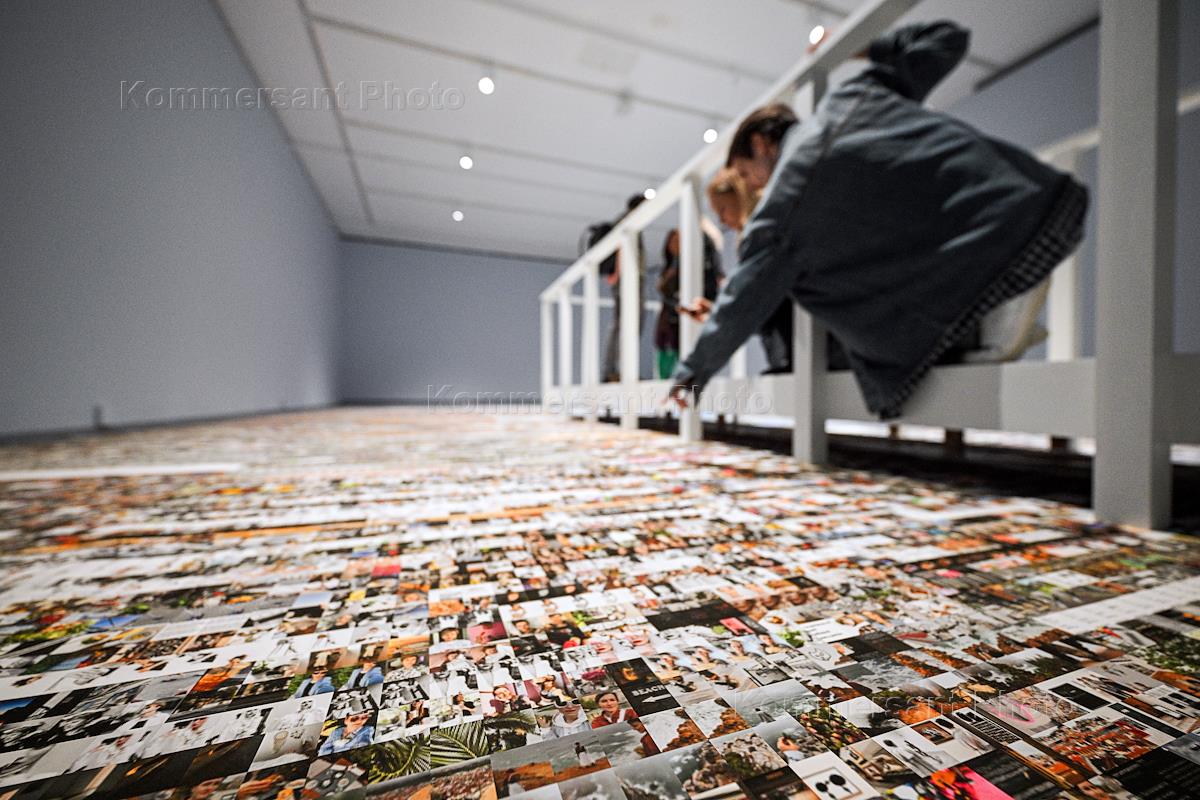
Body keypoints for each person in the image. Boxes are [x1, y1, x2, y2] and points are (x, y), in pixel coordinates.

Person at [669, 21, 1088, 419]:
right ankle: (982, 319)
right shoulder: (854, 96)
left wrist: (691, 376)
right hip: (1046, 209)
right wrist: (863, 46)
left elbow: (743, 299)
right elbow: (949, 38)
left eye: (746, 173)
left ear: (761, 144)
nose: (754, 186)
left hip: (976, 276)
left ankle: (969, 332)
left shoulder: (780, 210)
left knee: (796, 272)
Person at [707, 168, 793, 374]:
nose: (722, 220)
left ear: (740, 197)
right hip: (784, 351)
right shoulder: (755, 240)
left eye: (722, 209)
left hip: (794, 348)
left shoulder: (764, 237)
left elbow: (765, 305)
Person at [654, 228, 723, 379]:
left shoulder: (691, 266)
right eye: (673, 241)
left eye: (679, 241)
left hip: (687, 319)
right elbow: (664, 292)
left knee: (687, 354)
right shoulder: (669, 268)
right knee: (667, 360)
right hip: (669, 320)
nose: (676, 244)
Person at [602, 194, 648, 383]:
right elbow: (621, 247)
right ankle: (614, 370)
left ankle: (620, 369)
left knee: (626, 323)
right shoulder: (627, 220)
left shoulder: (630, 222)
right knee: (625, 323)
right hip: (628, 279)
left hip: (631, 278)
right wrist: (618, 273)